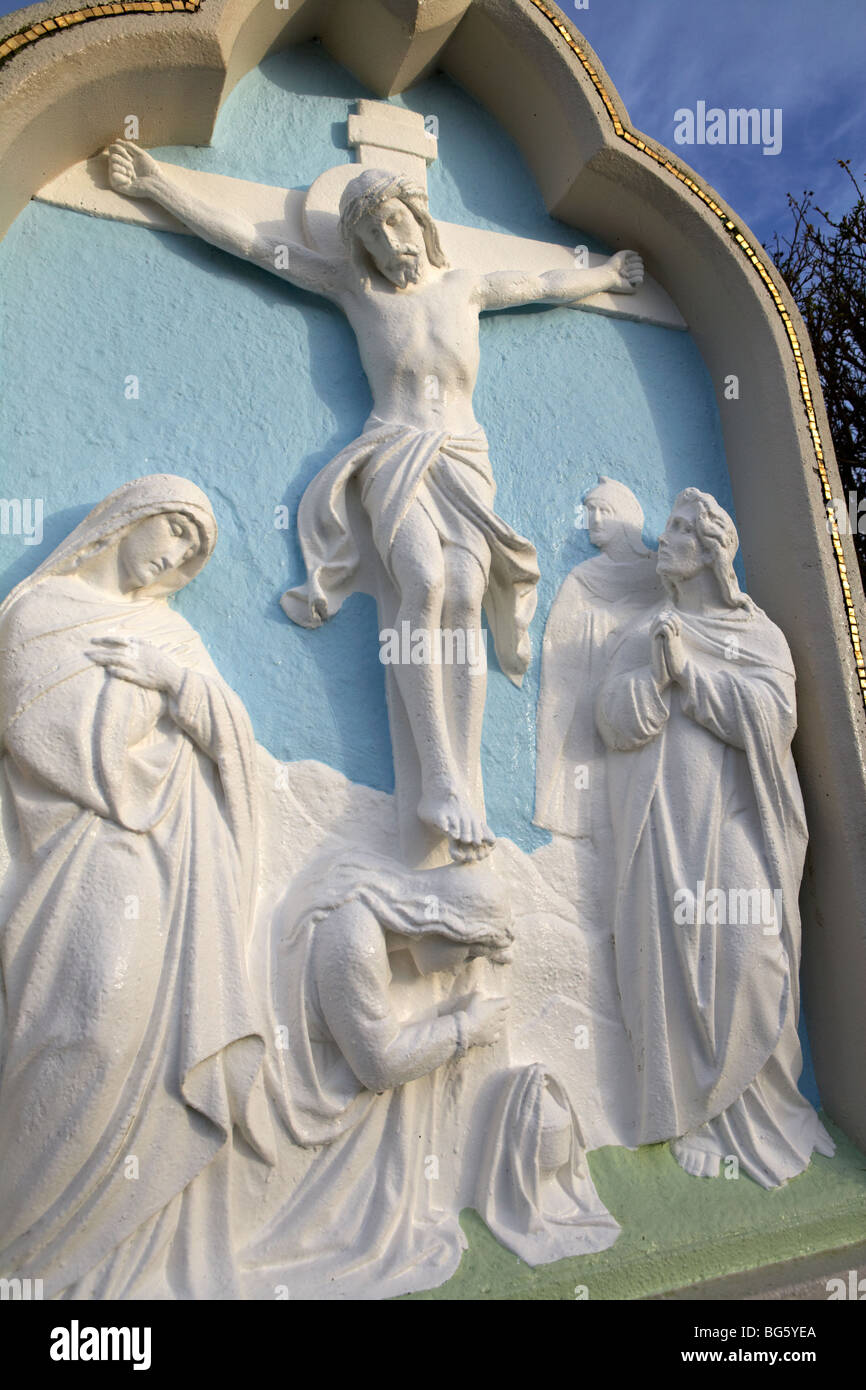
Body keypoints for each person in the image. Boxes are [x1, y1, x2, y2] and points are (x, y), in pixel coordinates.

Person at [107, 144, 644, 861]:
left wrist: (604, 274)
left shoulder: (467, 289)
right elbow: (252, 242)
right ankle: (441, 778)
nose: (391, 243)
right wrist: (157, 184)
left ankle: (466, 775)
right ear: (358, 247)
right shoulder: (354, 290)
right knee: (422, 582)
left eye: (396, 223)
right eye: (372, 235)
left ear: (419, 220)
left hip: (463, 459)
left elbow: (545, 280)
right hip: (395, 453)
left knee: (464, 596)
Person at [0, 475, 274, 1298]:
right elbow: (27, 726)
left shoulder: (169, 636)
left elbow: (234, 741)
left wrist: (170, 680)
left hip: (152, 861)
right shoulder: (36, 613)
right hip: (62, 852)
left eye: (193, 550)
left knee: (115, 1029)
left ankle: (71, 1248)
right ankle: (20, 1235)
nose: (175, 554)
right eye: (171, 531)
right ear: (125, 518)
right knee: (67, 1025)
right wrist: (112, 744)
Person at [242, 852, 619, 1299]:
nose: (461, 967)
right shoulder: (354, 941)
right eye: (467, 952)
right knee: (403, 1096)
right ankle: (345, 1227)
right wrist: (464, 1029)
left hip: (307, 1063)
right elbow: (379, 1066)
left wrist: (442, 1021)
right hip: (293, 1103)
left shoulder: (360, 889)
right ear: (442, 924)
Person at [595, 488, 834, 1185]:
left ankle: (766, 1104)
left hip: (736, 821)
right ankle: (694, 1117)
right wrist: (649, 685)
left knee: (751, 950)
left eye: (676, 529)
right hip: (661, 823)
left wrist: (687, 676)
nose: (662, 540)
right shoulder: (639, 632)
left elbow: (774, 718)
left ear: (709, 551)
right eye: (666, 527)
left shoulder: (756, 634)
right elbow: (614, 719)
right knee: (669, 965)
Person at [535, 476, 660, 839]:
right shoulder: (582, 577)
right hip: (590, 696)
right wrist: (600, 625)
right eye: (590, 512)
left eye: (604, 511)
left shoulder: (657, 572)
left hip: (640, 700)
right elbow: (558, 646)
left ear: (626, 516)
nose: (595, 520)